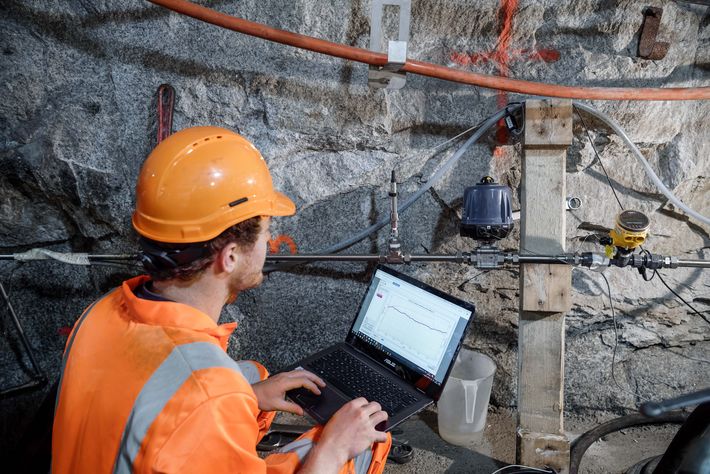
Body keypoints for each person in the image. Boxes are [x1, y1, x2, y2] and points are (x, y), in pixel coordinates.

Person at [52, 126, 392, 473]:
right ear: (229, 257)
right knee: (363, 440)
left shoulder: (100, 311)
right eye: (266, 230)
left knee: (248, 375)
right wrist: (333, 449)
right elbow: (202, 397)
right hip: (200, 411)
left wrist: (249, 397)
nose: (270, 242)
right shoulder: (210, 394)